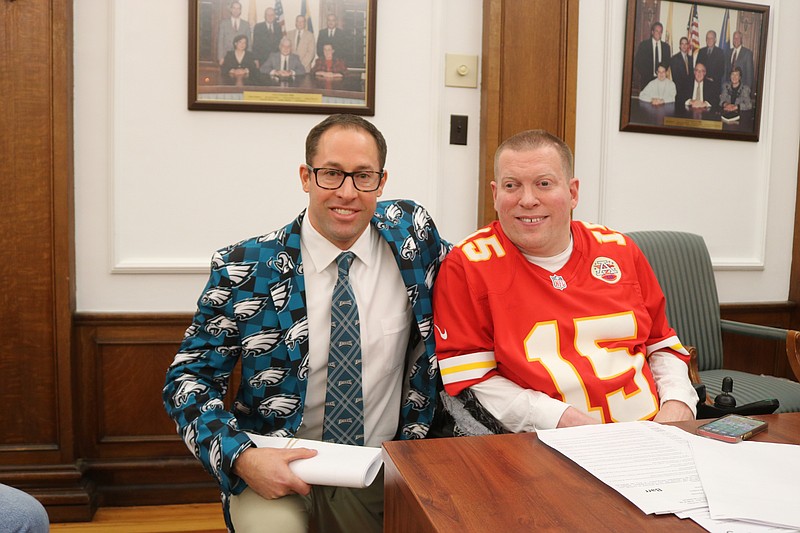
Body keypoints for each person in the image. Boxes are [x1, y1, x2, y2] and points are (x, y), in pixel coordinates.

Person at [163, 114, 450, 532]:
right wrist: (242, 457)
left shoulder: (413, 238)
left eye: (363, 176)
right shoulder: (244, 268)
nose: (347, 192)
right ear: (306, 176)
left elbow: (482, 269)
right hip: (277, 466)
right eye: (331, 174)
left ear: (381, 182)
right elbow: (188, 380)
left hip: (384, 465)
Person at [433, 129, 698, 434]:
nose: (528, 200)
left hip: (655, 436)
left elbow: (660, 345)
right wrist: (565, 421)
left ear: (573, 192)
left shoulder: (620, 250)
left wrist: (678, 402)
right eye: (512, 186)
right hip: (545, 447)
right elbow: (472, 380)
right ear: (495, 194)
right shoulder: (467, 265)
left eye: (544, 184)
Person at [634, 22, 670, 89]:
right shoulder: (644, 45)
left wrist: (661, 74)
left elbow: (667, 63)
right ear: (652, 32)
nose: (658, 33)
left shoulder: (666, 47)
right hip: (646, 81)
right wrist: (645, 74)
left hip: (661, 81)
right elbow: (638, 62)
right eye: (656, 31)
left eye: (660, 31)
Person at [217, 1, 251, 66]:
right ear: (231, 9)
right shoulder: (223, 23)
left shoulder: (246, 24)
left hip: (241, 57)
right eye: (234, 8)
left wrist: (249, 57)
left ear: (240, 10)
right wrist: (220, 57)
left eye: (238, 8)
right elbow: (220, 42)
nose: (236, 10)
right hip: (226, 56)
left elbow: (249, 42)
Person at [695, 30, 725, 100]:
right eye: (707, 38)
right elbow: (697, 66)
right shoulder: (701, 51)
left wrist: (711, 78)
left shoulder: (720, 52)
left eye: (711, 38)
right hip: (702, 84)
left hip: (714, 84)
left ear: (715, 40)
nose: (709, 40)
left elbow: (721, 70)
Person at [669, 37, 695, 105]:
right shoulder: (674, 59)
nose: (684, 46)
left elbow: (691, 76)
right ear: (679, 46)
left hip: (689, 92)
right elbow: (676, 78)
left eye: (686, 44)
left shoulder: (690, 59)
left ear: (688, 46)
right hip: (679, 92)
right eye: (682, 44)